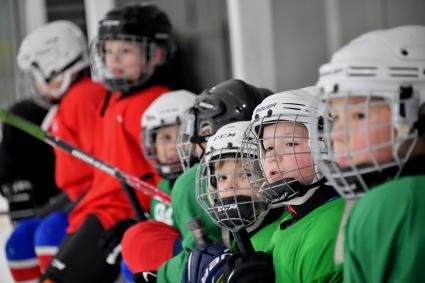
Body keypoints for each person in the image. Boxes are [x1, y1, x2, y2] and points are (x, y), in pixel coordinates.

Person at [42, 4, 175, 283]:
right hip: (96, 211)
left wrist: (139, 219)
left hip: (118, 216)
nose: (114, 59)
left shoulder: (158, 104)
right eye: (108, 50)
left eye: (125, 51)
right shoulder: (112, 98)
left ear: (156, 54)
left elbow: (164, 178)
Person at [315, 25, 425, 282]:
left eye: (358, 115)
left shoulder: (397, 201)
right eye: (335, 118)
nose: (337, 134)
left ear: (418, 113)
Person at [4, 20, 107, 282]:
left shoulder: (84, 99)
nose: (36, 83)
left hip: (96, 202)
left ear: (53, 66)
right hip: (74, 198)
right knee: (20, 240)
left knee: (48, 233)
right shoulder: (69, 102)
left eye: (36, 74)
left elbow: (102, 169)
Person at [223, 87, 343, 283]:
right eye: (268, 148)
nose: (273, 158)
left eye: (291, 144)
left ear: (328, 145)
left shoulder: (332, 227)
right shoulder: (291, 220)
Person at [157, 79, 272, 283]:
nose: (194, 145)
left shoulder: (190, 182)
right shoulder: (276, 164)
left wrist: (162, 274)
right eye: (222, 177)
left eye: (203, 133)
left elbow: (195, 258)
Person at [120, 89, 196, 282]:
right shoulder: (161, 188)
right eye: (164, 138)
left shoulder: (199, 183)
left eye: (180, 136)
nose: (171, 147)